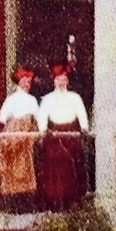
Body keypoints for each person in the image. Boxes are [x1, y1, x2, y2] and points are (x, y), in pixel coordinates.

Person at [37, 63, 90, 210]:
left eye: (64, 77)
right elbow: (42, 116)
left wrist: (84, 128)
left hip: (71, 134)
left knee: (73, 167)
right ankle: (55, 202)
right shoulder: (47, 99)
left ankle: (72, 201)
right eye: (59, 77)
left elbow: (82, 114)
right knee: (56, 170)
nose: (62, 80)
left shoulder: (75, 97)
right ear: (54, 80)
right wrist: (43, 130)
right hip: (54, 136)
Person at [0, 66, 42, 213]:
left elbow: (37, 119)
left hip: (27, 137)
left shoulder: (32, 100)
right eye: (25, 79)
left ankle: (25, 202)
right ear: (19, 81)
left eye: (29, 80)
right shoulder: (12, 99)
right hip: (14, 136)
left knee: (26, 166)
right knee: (13, 167)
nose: (28, 82)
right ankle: (12, 202)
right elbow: (2, 118)